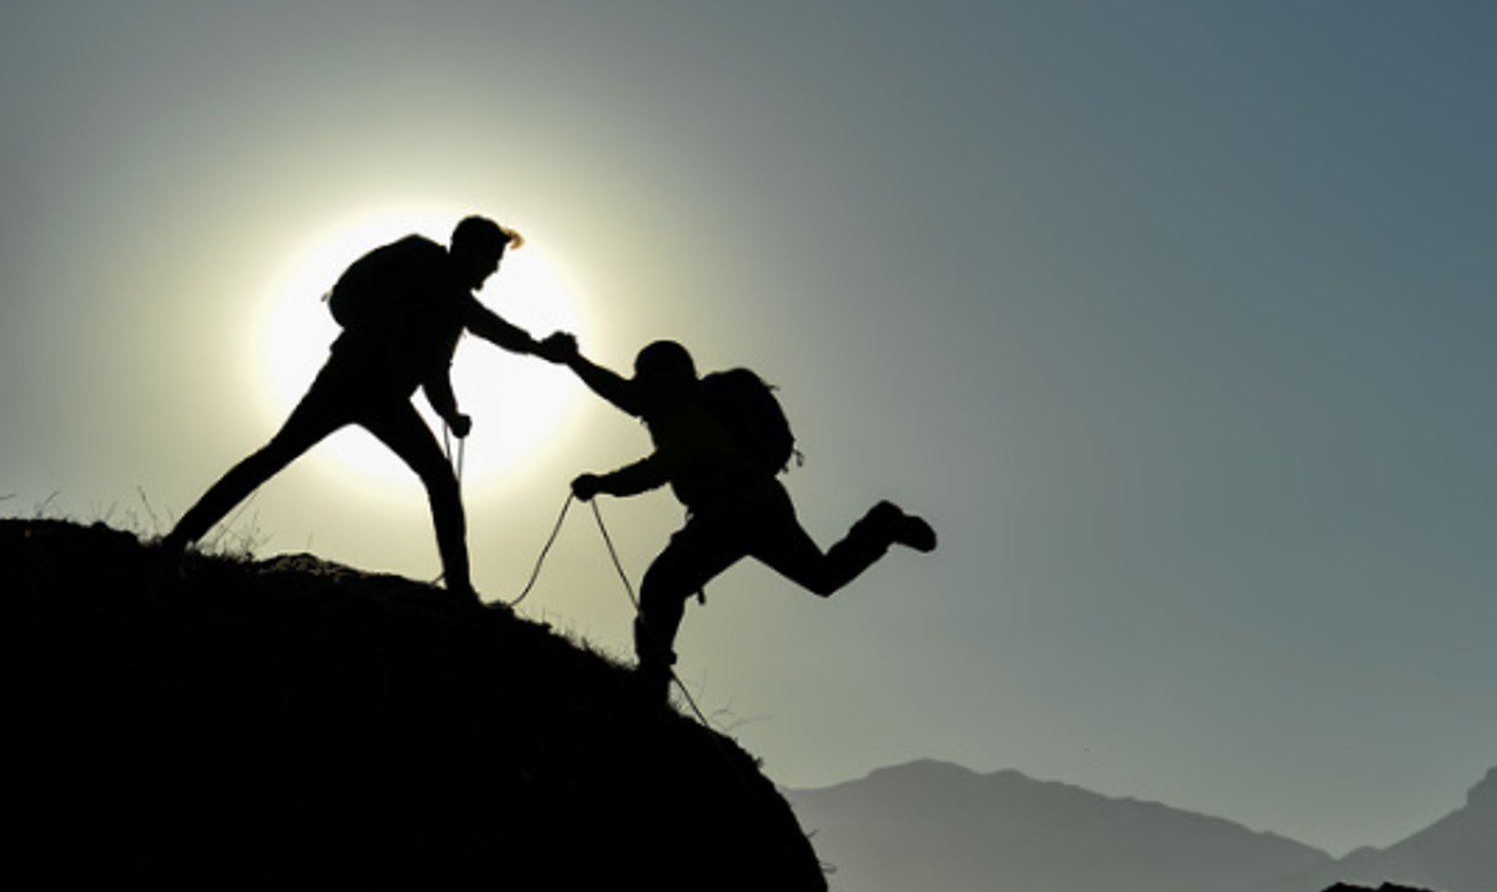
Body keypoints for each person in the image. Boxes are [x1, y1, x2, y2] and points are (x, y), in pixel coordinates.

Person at [163, 215, 570, 601]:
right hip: (362, 384)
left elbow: (434, 371)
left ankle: (178, 540)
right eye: (491, 258)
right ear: (465, 249)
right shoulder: (432, 267)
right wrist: (538, 347)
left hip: (364, 388)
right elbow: (483, 325)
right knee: (435, 481)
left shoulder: (448, 303)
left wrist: (449, 414)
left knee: (278, 457)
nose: (494, 269)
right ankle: (460, 591)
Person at [550, 335, 936, 699]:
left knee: (662, 586)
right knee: (820, 578)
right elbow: (624, 396)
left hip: (732, 517)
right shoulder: (678, 404)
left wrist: (602, 483)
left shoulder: (689, 417)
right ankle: (883, 526)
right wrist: (573, 360)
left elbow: (654, 470)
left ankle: (651, 680)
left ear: (665, 377)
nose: (643, 386)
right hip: (760, 508)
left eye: (649, 377)